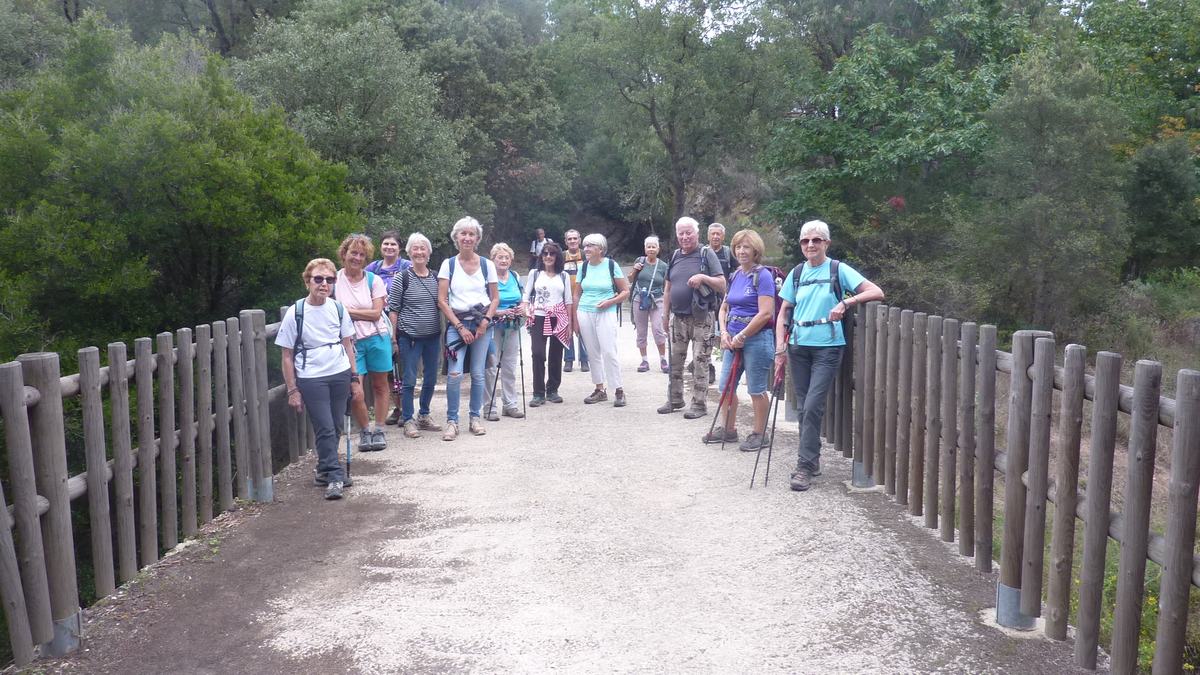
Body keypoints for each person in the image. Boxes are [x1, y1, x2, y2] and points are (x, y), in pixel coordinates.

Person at [776, 219, 884, 492]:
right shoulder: (797, 273)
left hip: (828, 347)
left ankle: (804, 466)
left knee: (812, 405)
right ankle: (811, 461)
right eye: (805, 241)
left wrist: (846, 302)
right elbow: (784, 311)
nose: (810, 245)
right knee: (804, 406)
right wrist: (780, 348)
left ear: (826, 243)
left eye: (816, 240)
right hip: (798, 346)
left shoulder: (838, 269)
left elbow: (876, 291)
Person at [277, 258, 359, 500]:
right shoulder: (296, 312)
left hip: (339, 372)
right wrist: (293, 390)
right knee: (324, 426)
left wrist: (355, 377)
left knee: (334, 426)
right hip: (312, 377)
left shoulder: (338, 309)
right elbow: (286, 354)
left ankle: (323, 470)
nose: (324, 284)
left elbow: (348, 344)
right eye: (319, 279)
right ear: (308, 282)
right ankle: (335, 476)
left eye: (330, 280)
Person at [706, 229, 776, 451]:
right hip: (732, 339)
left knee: (756, 388)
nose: (741, 251)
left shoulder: (762, 275)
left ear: (756, 250)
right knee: (725, 386)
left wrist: (742, 335)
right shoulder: (735, 275)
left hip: (757, 339)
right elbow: (724, 307)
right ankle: (728, 429)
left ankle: (759, 433)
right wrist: (724, 332)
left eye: (746, 247)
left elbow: (766, 313)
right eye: (738, 247)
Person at [438, 216, 499, 440]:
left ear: (477, 238)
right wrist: (460, 326)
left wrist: (485, 322)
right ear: (456, 237)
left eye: (471, 234)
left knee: (477, 373)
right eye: (463, 233)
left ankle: (475, 417)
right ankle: (452, 421)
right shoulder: (449, 264)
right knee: (454, 374)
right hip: (458, 324)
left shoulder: (487, 264)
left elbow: (494, 298)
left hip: (482, 323)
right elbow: (442, 300)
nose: (467, 237)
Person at [658, 217, 726, 418]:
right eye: (681, 233)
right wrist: (665, 313)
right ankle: (675, 399)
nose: (685, 237)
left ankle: (699, 404)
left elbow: (722, 284)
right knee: (675, 360)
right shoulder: (675, 256)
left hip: (701, 318)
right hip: (677, 318)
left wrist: (703, 278)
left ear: (697, 233)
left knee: (700, 360)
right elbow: (668, 288)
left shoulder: (707, 254)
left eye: (689, 233)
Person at [335, 234, 391, 452]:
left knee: (380, 384)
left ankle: (379, 429)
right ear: (344, 254)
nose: (357, 258)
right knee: (355, 389)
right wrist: (361, 313)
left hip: (377, 337)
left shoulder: (373, 280)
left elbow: (376, 314)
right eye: (353, 253)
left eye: (361, 254)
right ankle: (364, 430)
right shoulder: (334, 280)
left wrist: (347, 312)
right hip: (350, 342)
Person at [387, 232, 444, 439]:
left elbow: (444, 304)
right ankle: (408, 418)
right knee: (409, 379)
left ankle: (424, 414)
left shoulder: (437, 277)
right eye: (415, 248)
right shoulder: (401, 278)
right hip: (408, 336)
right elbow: (393, 309)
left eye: (423, 248)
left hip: (432, 337)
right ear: (409, 253)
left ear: (429, 253)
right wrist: (393, 338)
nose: (419, 252)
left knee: (430, 378)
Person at [572, 233, 630, 406]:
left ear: (601, 249)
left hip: (606, 312)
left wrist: (610, 302)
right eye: (586, 245)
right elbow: (576, 294)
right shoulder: (583, 267)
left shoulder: (611, 265)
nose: (586, 249)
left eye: (591, 246)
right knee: (592, 352)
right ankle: (599, 389)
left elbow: (625, 291)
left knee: (609, 351)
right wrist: (574, 320)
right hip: (585, 312)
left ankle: (618, 390)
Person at [366, 231, 412, 426]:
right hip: (379, 323)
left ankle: (407, 408)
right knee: (388, 370)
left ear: (399, 248)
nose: (389, 248)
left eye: (393, 244)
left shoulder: (406, 266)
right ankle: (398, 408)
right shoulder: (373, 268)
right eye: (386, 244)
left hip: (404, 322)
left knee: (403, 367)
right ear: (380, 246)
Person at [483, 243, 527, 421]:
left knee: (509, 366)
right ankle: (489, 406)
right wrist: (499, 312)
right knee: (491, 367)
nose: (503, 260)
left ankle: (510, 405)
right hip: (493, 326)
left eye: (506, 257)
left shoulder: (515, 276)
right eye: (499, 257)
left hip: (512, 326)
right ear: (492, 260)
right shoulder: (487, 278)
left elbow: (523, 298)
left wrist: (521, 308)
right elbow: (482, 302)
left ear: (511, 260)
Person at [524, 242, 571, 406]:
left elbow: (568, 301)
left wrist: (570, 324)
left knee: (556, 354)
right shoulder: (535, 274)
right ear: (541, 256)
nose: (548, 257)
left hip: (558, 315)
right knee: (537, 353)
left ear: (557, 256)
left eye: (552, 254)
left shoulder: (563, 276)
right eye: (545, 254)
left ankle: (552, 389)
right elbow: (526, 295)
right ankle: (538, 392)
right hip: (539, 315)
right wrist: (525, 309)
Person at [629, 235, 669, 373]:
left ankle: (663, 359)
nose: (651, 249)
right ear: (645, 248)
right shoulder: (639, 261)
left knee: (658, 329)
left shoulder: (663, 266)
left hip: (657, 299)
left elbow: (667, 286)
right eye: (648, 246)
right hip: (640, 298)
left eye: (654, 246)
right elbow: (630, 279)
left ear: (658, 249)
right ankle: (644, 360)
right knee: (641, 330)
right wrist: (635, 269)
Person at [560, 229, 589, 372]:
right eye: (569, 239)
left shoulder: (585, 255)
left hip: (583, 297)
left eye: (574, 238)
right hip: (565, 298)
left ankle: (585, 360)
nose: (572, 241)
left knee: (583, 326)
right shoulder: (561, 256)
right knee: (567, 327)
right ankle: (568, 359)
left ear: (579, 240)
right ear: (565, 241)